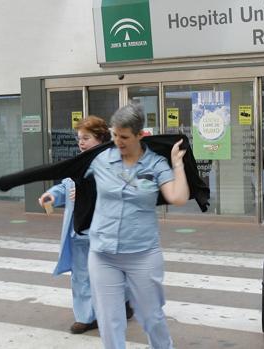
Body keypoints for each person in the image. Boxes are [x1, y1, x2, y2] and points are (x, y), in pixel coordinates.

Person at [85, 103, 188, 349]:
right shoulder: (100, 160)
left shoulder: (155, 165)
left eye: (124, 137)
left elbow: (178, 197)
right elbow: (74, 179)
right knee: (109, 320)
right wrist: (55, 195)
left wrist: (178, 165)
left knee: (152, 317)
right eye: (114, 135)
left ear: (140, 135)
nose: (117, 141)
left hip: (142, 254)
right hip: (102, 254)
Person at [37, 116, 133, 334]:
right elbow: (65, 186)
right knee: (81, 275)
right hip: (79, 232)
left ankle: (124, 302)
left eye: (86, 138)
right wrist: (52, 195)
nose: (81, 142)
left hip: (106, 231)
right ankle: (86, 317)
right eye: (79, 138)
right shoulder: (77, 163)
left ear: (99, 138)